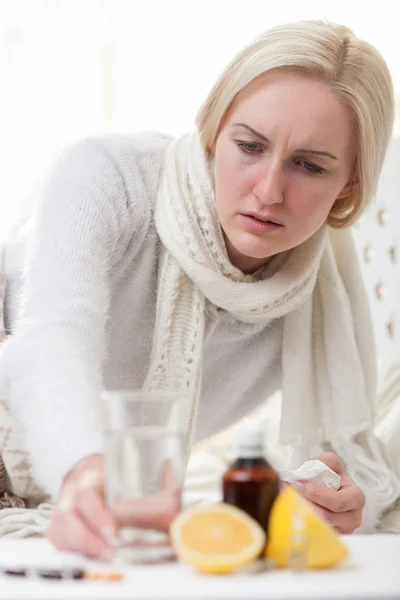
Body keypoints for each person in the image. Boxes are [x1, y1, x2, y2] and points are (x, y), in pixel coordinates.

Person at [0, 19, 399, 560]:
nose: (268, 190)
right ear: (214, 131)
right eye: (249, 146)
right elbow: (52, 337)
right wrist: (85, 470)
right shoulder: (108, 176)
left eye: (308, 165)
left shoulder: (319, 289)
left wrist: (338, 502)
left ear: (349, 183)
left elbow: (343, 458)